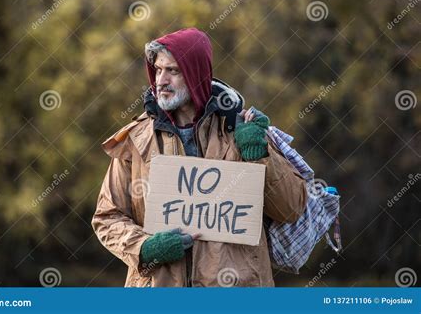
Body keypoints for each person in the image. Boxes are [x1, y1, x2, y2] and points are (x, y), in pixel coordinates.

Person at [92, 28, 307, 287]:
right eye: (158, 70)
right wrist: (144, 247)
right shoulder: (137, 140)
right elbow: (107, 217)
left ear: (195, 75)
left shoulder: (241, 128)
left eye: (173, 71)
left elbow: (292, 209)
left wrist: (259, 154)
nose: (161, 80)